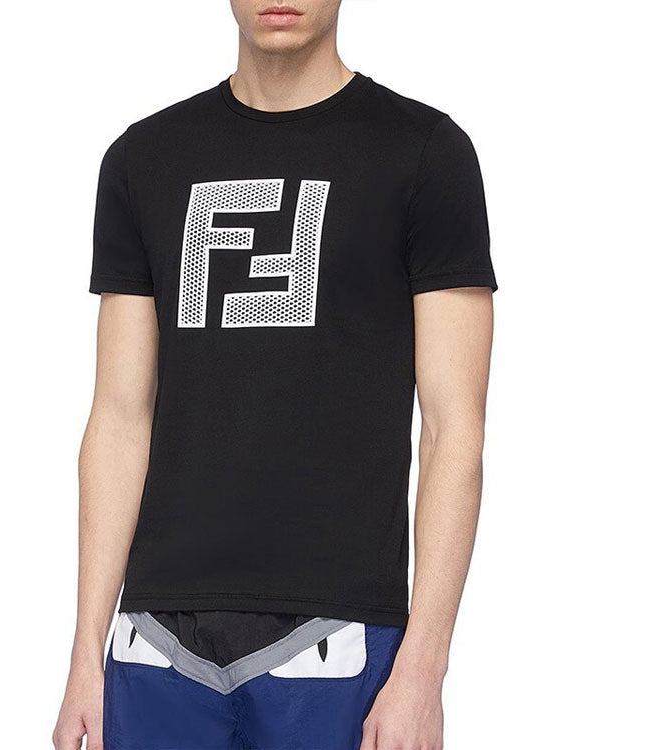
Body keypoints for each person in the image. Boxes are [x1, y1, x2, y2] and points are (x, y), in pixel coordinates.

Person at [53, 1, 496, 748]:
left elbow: (455, 429)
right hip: (154, 641)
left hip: (340, 636)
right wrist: (83, 656)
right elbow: (120, 416)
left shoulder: (423, 151)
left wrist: (424, 668)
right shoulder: (144, 159)